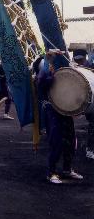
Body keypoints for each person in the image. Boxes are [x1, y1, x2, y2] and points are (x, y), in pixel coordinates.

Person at [37, 50, 83, 184]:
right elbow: (43, 81)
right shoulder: (44, 70)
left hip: (65, 109)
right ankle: (51, 173)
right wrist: (48, 60)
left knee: (70, 139)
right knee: (56, 141)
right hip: (52, 109)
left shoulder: (62, 70)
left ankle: (67, 169)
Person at [73, 49, 94, 160]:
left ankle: (88, 148)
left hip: (82, 102)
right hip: (84, 102)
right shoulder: (76, 69)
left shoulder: (72, 69)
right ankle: (89, 149)